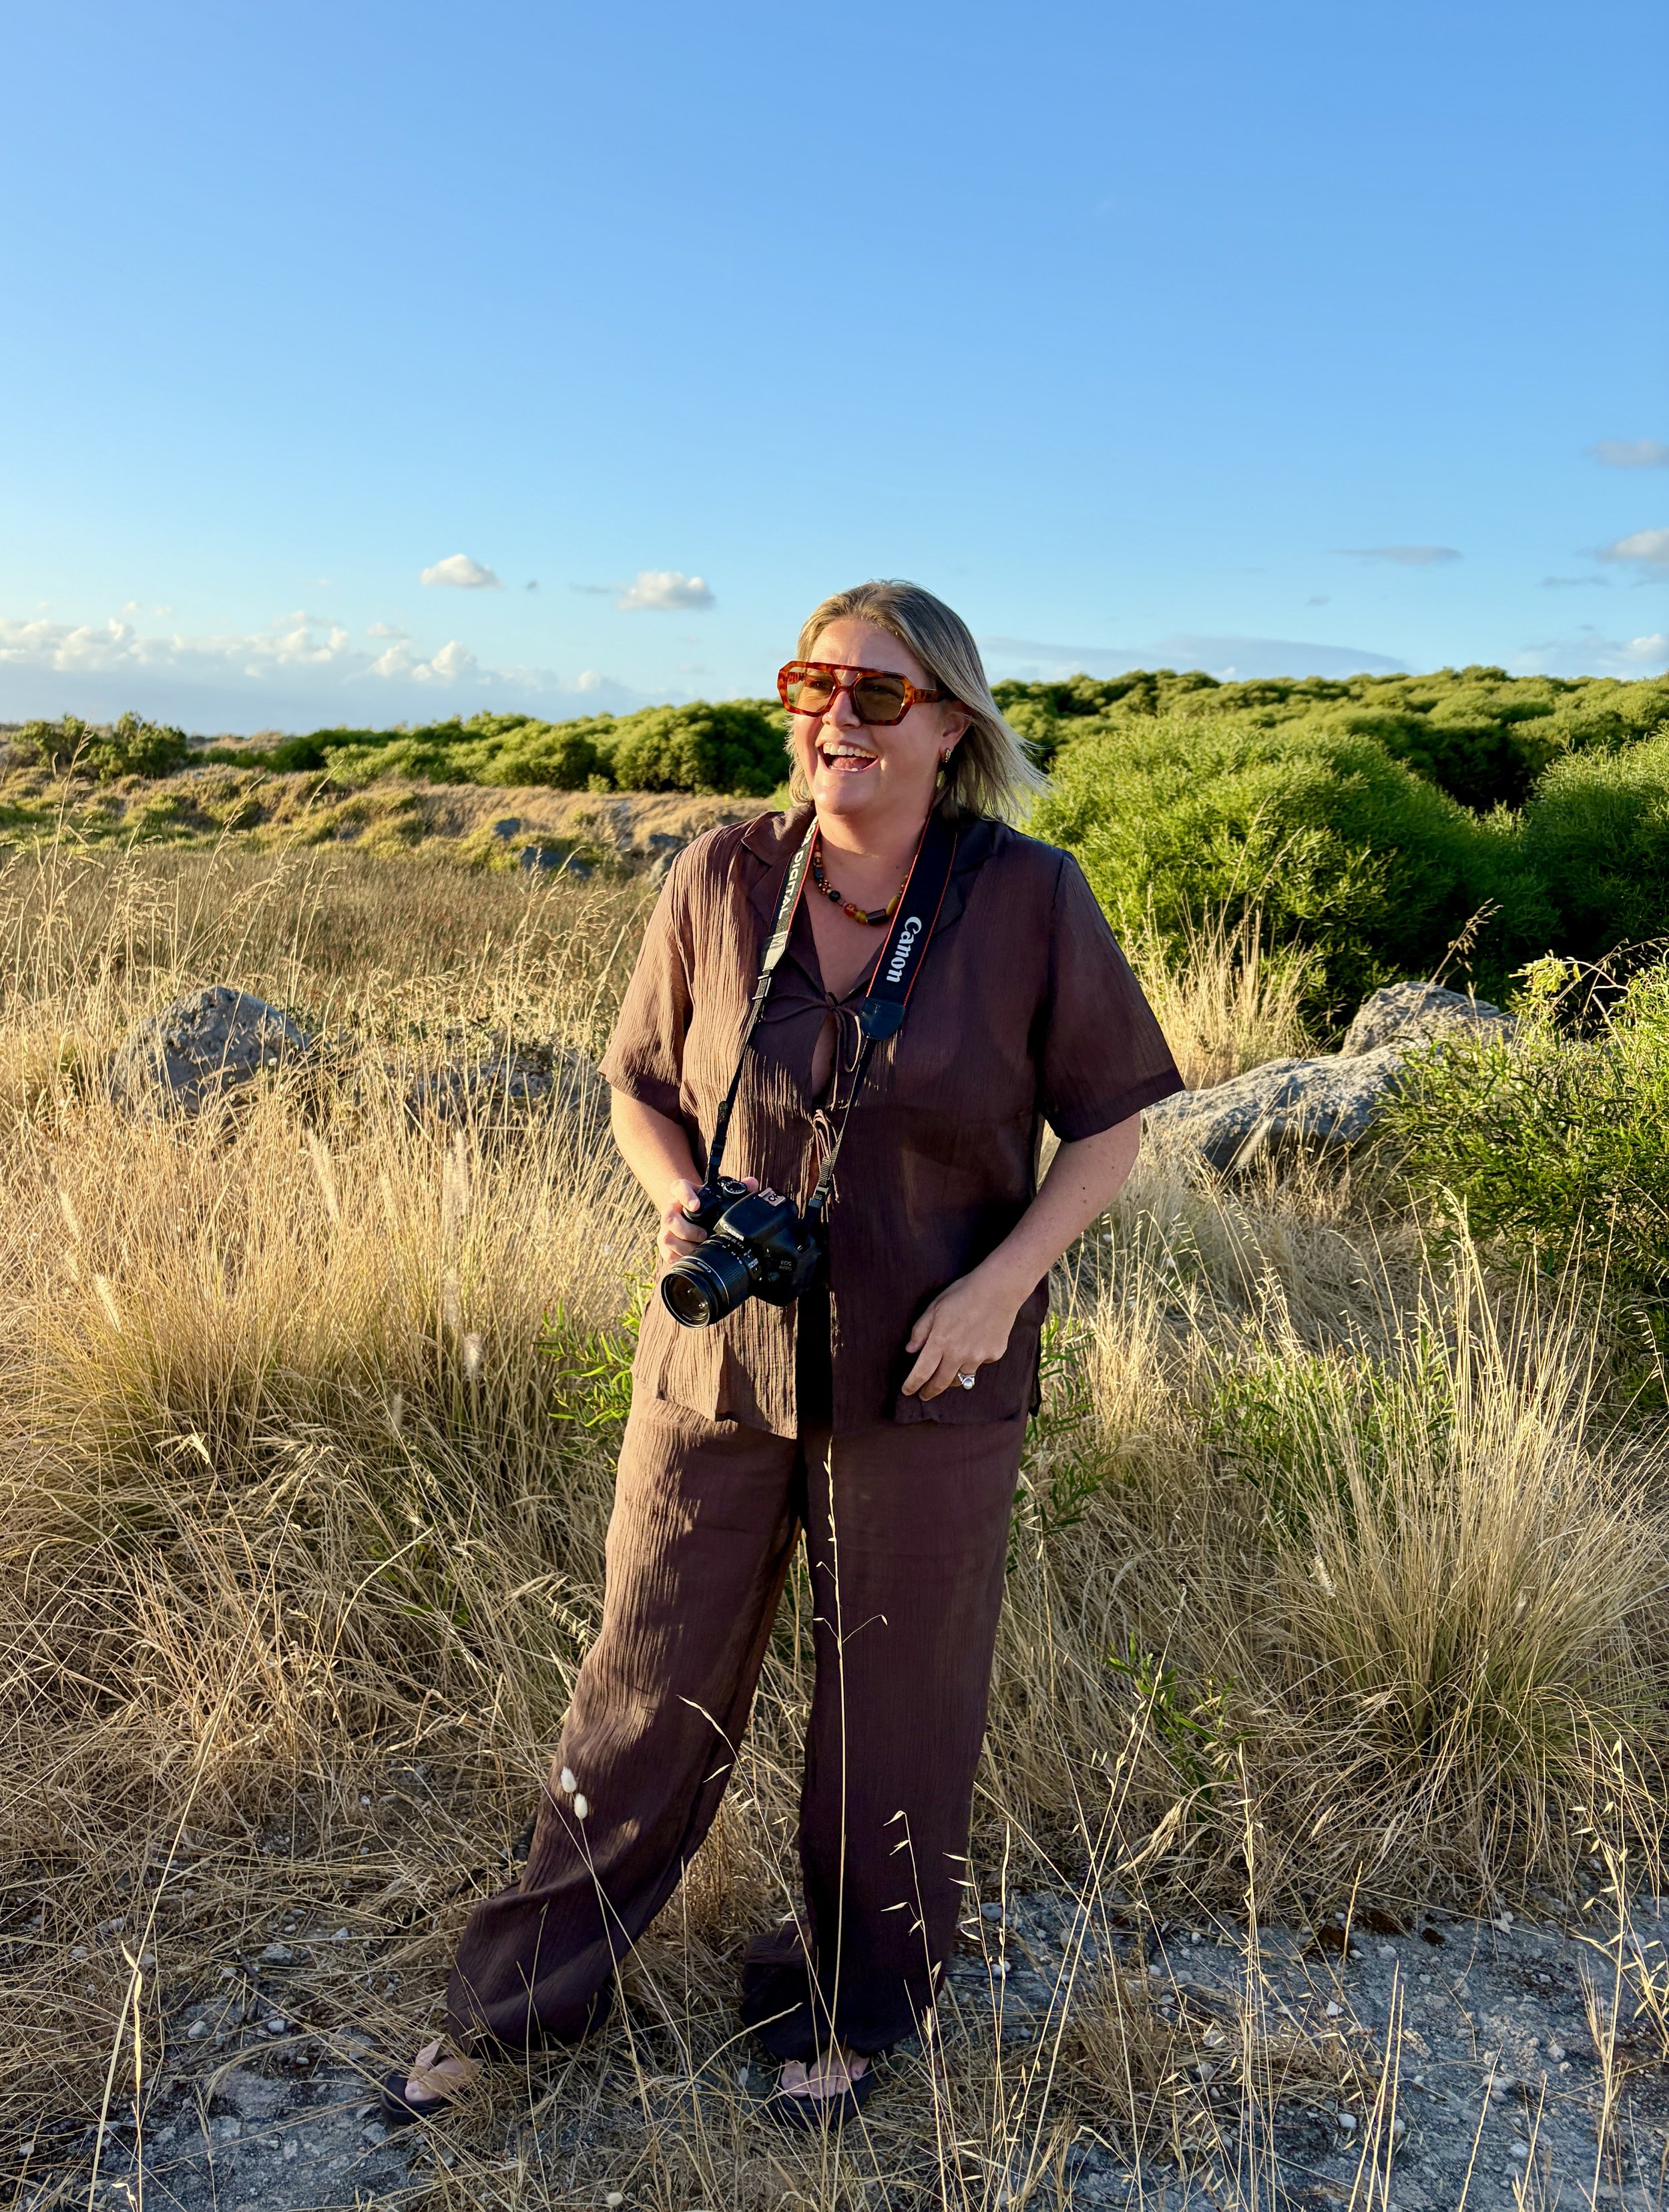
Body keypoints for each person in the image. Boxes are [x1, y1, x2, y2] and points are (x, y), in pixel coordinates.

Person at [387, 580, 1184, 2127]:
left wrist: (1002, 1287)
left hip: (929, 1373)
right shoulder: (717, 875)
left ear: (949, 722)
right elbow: (636, 1084)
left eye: (877, 693)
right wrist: (685, 1202)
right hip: (717, 1361)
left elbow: (1108, 1126)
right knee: (640, 1681)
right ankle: (515, 2010)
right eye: (812, 685)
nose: (837, 718)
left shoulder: (1026, 897)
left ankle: (848, 2007)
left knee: (899, 1711)